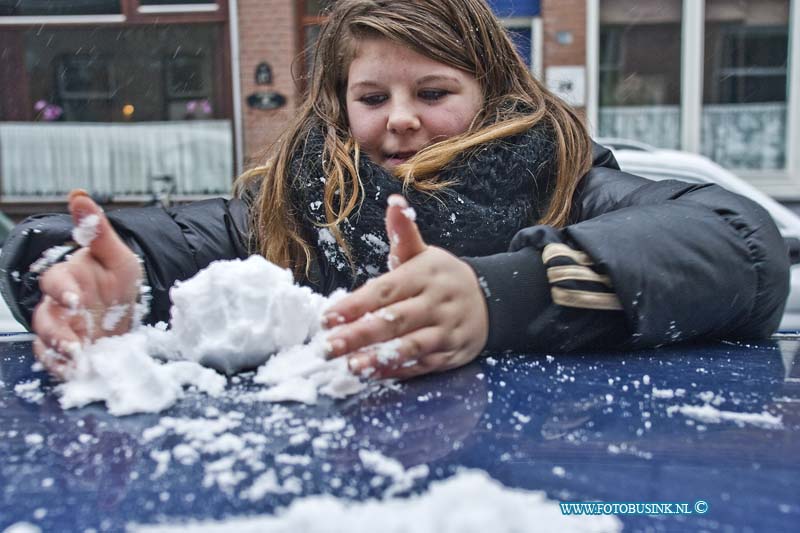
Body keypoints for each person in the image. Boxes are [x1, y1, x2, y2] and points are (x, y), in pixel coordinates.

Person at [0, 0, 789, 381]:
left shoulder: (568, 190)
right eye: (373, 98)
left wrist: (496, 295)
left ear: (492, 92)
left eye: (434, 92)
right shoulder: (290, 215)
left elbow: (741, 240)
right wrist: (91, 275)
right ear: (342, 106)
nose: (402, 121)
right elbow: (151, 242)